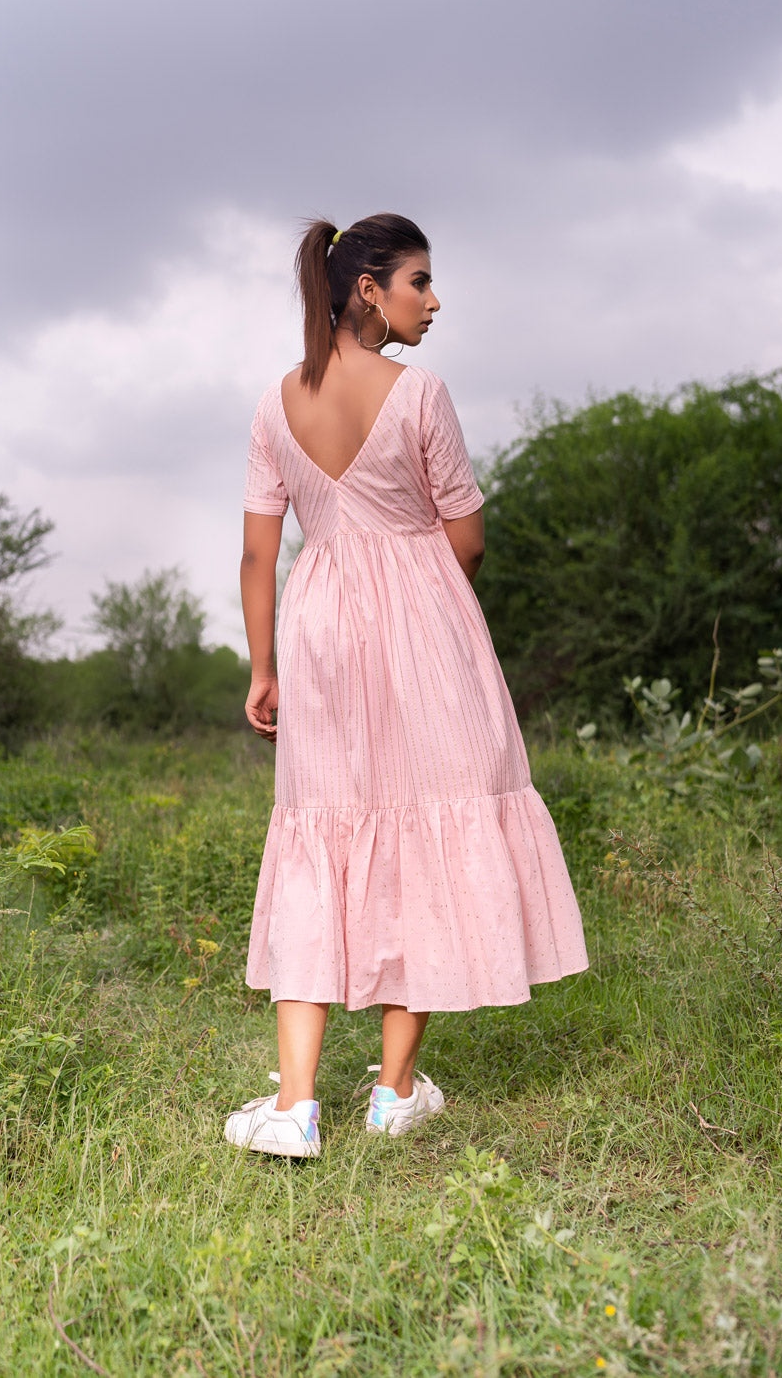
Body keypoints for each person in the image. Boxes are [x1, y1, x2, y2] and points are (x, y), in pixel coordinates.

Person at [225, 213, 588, 1158]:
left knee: (320, 831)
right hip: (424, 624)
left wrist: (265, 667)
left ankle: (296, 1107)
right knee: (427, 825)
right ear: (369, 291)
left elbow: (259, 557)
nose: (435, 301)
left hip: (319, 627)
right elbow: (465, 538)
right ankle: (391, 1094)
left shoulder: (275, 404)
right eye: (421, 282)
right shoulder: (421, 396)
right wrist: (420, 595)